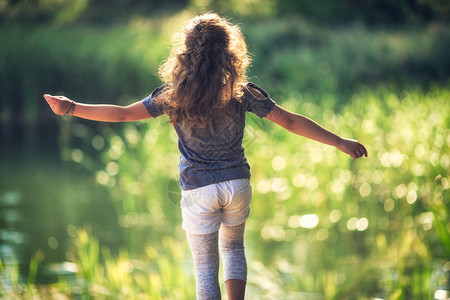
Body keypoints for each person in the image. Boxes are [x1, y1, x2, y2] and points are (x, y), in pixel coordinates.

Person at [44, 13, 367, 300]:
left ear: (185, 55)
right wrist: (339, 141)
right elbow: (291, 121)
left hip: (199, 189)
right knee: (234, 249)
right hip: (237, 184)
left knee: (205, 268)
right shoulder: (242, 92)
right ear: (230, 54)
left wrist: (72, 107)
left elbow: (124, 115)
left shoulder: (172, 95)